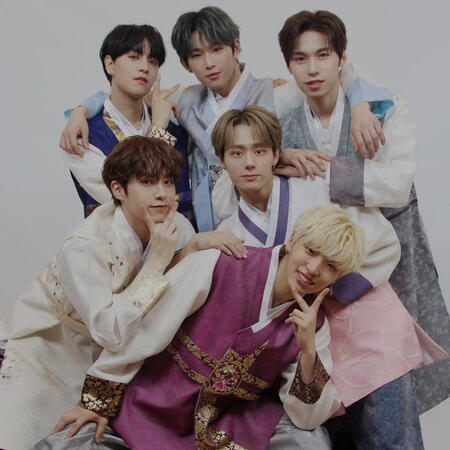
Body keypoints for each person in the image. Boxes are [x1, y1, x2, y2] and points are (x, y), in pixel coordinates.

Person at [35, 206, 447, 450]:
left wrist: (307, 351)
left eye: (330, 267)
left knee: (310, 443)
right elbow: (145, 331)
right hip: (154, 402)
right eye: (310, 251)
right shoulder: (221, 263)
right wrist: (97, 400)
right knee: (64, 443)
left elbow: (305, 417)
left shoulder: (313, 322)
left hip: (224, 420)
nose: (313, 269)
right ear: (293, 241)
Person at [277, 10, 450, 448]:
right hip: (321, 269)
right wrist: (279, 157)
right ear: (289, 65)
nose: (312, 68)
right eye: (300, 58)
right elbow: (242, 143)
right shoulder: (284, 113)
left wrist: (320, 169)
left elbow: (395, 183)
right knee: (333, 381)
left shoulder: (382, 109)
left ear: (342, 59)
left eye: (323, 55)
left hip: (385, 262)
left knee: (389, 379)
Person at [60, 6, 393, 231]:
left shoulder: (274, 93)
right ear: (185, 63)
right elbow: (131, 91)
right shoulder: (187, 101)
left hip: (263, 216)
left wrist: (360, 105)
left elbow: (332, 72)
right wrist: (80, 110)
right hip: (200, 223)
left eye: (217, 49)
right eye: (197, 55)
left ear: (236, 47)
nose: (209, 63)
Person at [0, 136, 198, 450]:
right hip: (49, 342)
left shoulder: (177, 227)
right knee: (20, 434)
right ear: (117, 189)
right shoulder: (85, 244)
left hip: (105, 355)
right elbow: (109, 329)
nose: (162, 193)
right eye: (148, 182)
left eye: (168, 181)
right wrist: (157, 261)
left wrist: (198, 247)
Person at [213, 106, 399, 305]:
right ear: (222, 161)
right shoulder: (227, 233)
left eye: (259, 151)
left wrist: (330, 291)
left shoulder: (316, 188)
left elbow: (384, 243)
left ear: (276, 155)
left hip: (326, 314)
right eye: (237, 153)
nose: (249, 162)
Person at [62, 24, 194, 221]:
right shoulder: (83, 134)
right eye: (134, 57)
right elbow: (129, 197)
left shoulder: (174, 125)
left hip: (180, 237)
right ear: (110, 64)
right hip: (113, 240)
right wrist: (157, 130)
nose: (144, 67)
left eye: (153, 61)